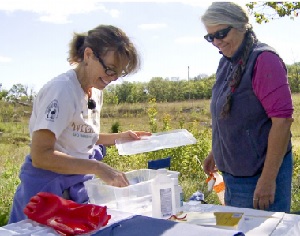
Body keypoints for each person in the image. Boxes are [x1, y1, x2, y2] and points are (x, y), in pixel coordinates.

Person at [9, 24, 151, 223]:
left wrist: (120, 137)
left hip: (75, 185)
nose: (113, 78)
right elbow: (40, 155)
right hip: (46, 192)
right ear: (88, 55)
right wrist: (98, 167)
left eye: (119, 73)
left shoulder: (95, 90)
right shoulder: (61, 91)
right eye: (110, 69)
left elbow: (80, 136)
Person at [201, 2, 294, 212]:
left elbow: (283, 121)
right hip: (233, 175)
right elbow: (228, 115)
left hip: (258, 177)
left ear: (241, 26)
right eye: (210, 37)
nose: (216, 42)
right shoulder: (226, 62)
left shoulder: (264, 60)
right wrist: (216, 152)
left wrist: (268, 179)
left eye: (221, 33)